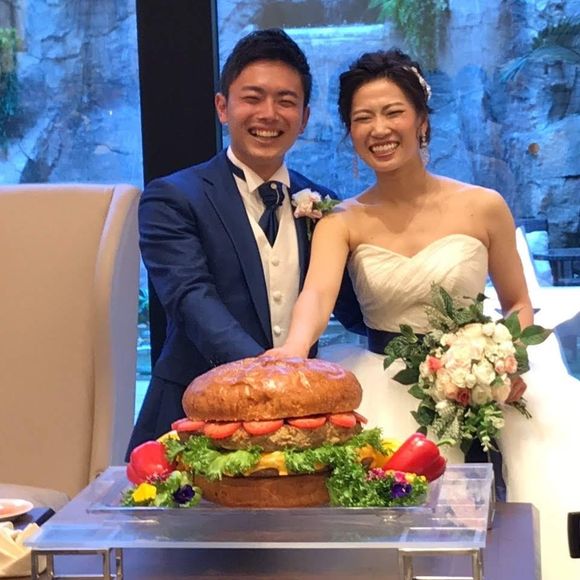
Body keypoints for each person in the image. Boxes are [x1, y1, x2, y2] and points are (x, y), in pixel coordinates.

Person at [267, 49, 580, 579]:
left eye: (393, 112)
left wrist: (507, 366)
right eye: (363, 118)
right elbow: (316, 297)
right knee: (388, 544)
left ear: (421, 120)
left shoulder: (484, 205)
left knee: (498, 538)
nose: (379, 129)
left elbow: (517, 302)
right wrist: (291, 353)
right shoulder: (341, 220)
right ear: (350, 132)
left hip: (479, 388)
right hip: (384, 386)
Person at [127, 28, 363, 455]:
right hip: (195, 419)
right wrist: (272, 382)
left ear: (304, 117)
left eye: (286, 101)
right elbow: (191, 299)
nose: (269, 114)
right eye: (253, 98)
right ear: (223, 106)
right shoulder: (173, 197)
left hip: (301, 431)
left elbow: (350, 305)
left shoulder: (324, 204)